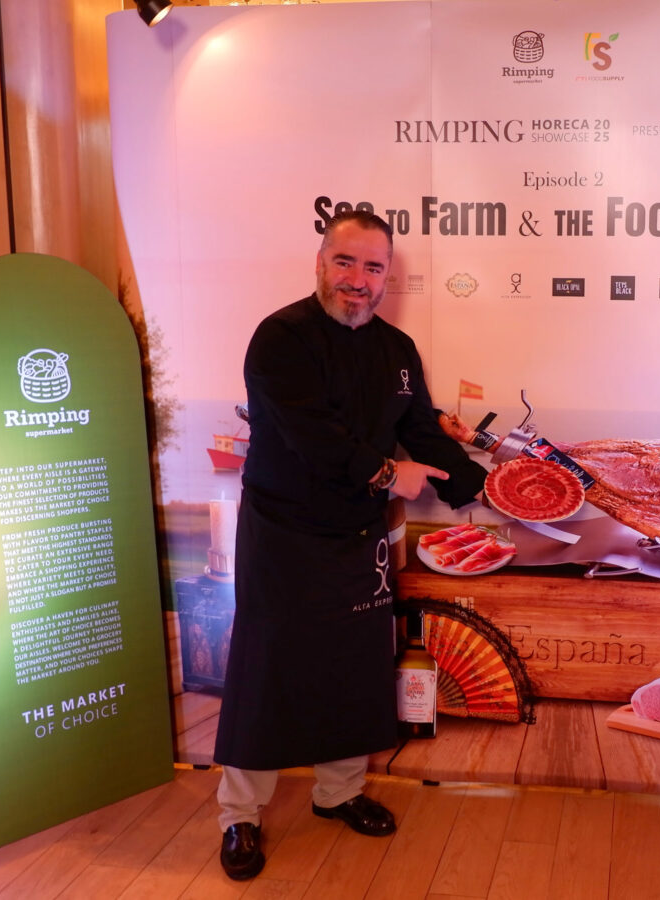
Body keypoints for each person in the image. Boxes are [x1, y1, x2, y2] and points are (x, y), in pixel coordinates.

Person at [212, 209, 486, 881]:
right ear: (319, 264)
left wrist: (486, 487)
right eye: (345, 262)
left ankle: (339, 793)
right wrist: (393, 475)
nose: (358, 279)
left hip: (359, 533)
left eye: (372, 267)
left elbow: (421, 431)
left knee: (355, 666)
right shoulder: (281, 338)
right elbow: (315, 438)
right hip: (283, 530)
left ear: (387, 276)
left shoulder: (396, 349)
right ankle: (240, 814)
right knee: (267, 667)